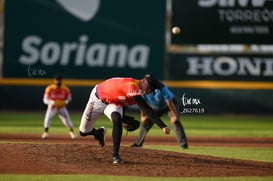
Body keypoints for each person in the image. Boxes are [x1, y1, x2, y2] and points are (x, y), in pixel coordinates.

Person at [79, 77, 171, 164]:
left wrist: (122, 118)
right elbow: (146, 109)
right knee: (83, 131)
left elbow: (122, 101)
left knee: (117, 120)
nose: (149, 90)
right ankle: (99, 133)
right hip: (97, 99)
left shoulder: (139, 92)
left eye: (151, 90)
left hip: (113, 103)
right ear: (143, 81)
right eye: (149, 87)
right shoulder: (132, 86)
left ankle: (115, 155)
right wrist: (162, 126)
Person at [131, 74, 188, 149]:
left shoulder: (161, 87)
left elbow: (169, 103)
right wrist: (143, 116)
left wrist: (175, 115)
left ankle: (183, 144)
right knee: (146, 122)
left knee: (175, 121)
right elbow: (143, 104)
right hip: (156, 107)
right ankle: (138, 144)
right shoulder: (142, 88)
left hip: (169, 106)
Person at [42, 75, 77, 139]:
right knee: (48, 118)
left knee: (67, 119)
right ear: (54, 80)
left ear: (61, 80)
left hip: (61, 107)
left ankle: (72, 132)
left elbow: (69, 98)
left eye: (59, 80)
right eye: (57, 79)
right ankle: (45, 132)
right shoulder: (49, 88)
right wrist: (52, 102)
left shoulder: (65, 88)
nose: (58, 81)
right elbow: (45, 100)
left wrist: (65, 102)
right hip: (52, 107)